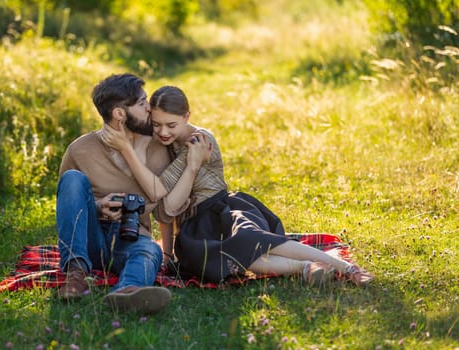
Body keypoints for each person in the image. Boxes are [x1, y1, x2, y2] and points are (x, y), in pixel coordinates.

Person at [103, 85, 375, 287]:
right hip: (194, 225)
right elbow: (167, 211)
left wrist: (183, 167)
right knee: (220, 260)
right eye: (157, 124)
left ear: (187, 116)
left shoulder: (199, 142)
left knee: (249, 240)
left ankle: (347, 268)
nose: (163, 132)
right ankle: (306, 268)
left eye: (171, 125)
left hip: (222, 210)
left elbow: (166, 203)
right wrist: (169, 253)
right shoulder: (163, 144)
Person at [55, 74, 209, 314]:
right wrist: (97, 206)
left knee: (150, 250)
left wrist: (169, 253)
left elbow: (165, 206)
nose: (150, 108)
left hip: (132, 238)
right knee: (72, 179)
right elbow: (68, 200)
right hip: (91, 239)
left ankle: (127, 292)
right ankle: (75, 272)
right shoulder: (80, 149)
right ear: (119, 114)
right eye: (141, 103)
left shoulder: (159, 147)